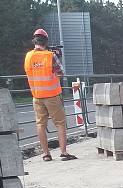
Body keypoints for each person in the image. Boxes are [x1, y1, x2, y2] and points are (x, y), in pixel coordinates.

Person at [24, 28, 76, 161]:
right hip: (52, 95)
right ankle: (64, 152)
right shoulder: (50, 55)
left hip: (36, 96)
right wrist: (56, 56)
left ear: (34, 40)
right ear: (45, 41)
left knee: (41, 124)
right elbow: (60, 73)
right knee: (60, 123)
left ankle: (46, 154)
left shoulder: (28, 56)